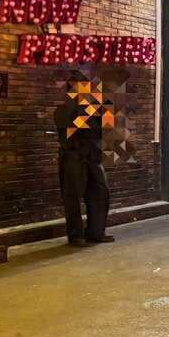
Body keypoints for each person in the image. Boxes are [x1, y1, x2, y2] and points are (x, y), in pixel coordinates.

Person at [53, 83, 113, 247]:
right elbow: (70, 131)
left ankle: (96, 232)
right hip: (72, 157)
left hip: (93, 157)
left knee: (101, 193)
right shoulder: (62, 111)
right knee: (72, 196)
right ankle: (75, 235)